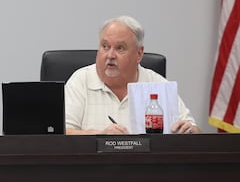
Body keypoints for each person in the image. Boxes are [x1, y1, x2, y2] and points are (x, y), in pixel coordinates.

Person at [65, 15, 200, 135]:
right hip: (94, 162)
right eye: (105, 46)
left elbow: (195, 131)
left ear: (139, 54)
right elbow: (62, 133)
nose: (110, 55)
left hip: (146, 162)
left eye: (120, 48)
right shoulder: (81, 80)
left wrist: (190, 131)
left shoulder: (157, 84)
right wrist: (101, 135)